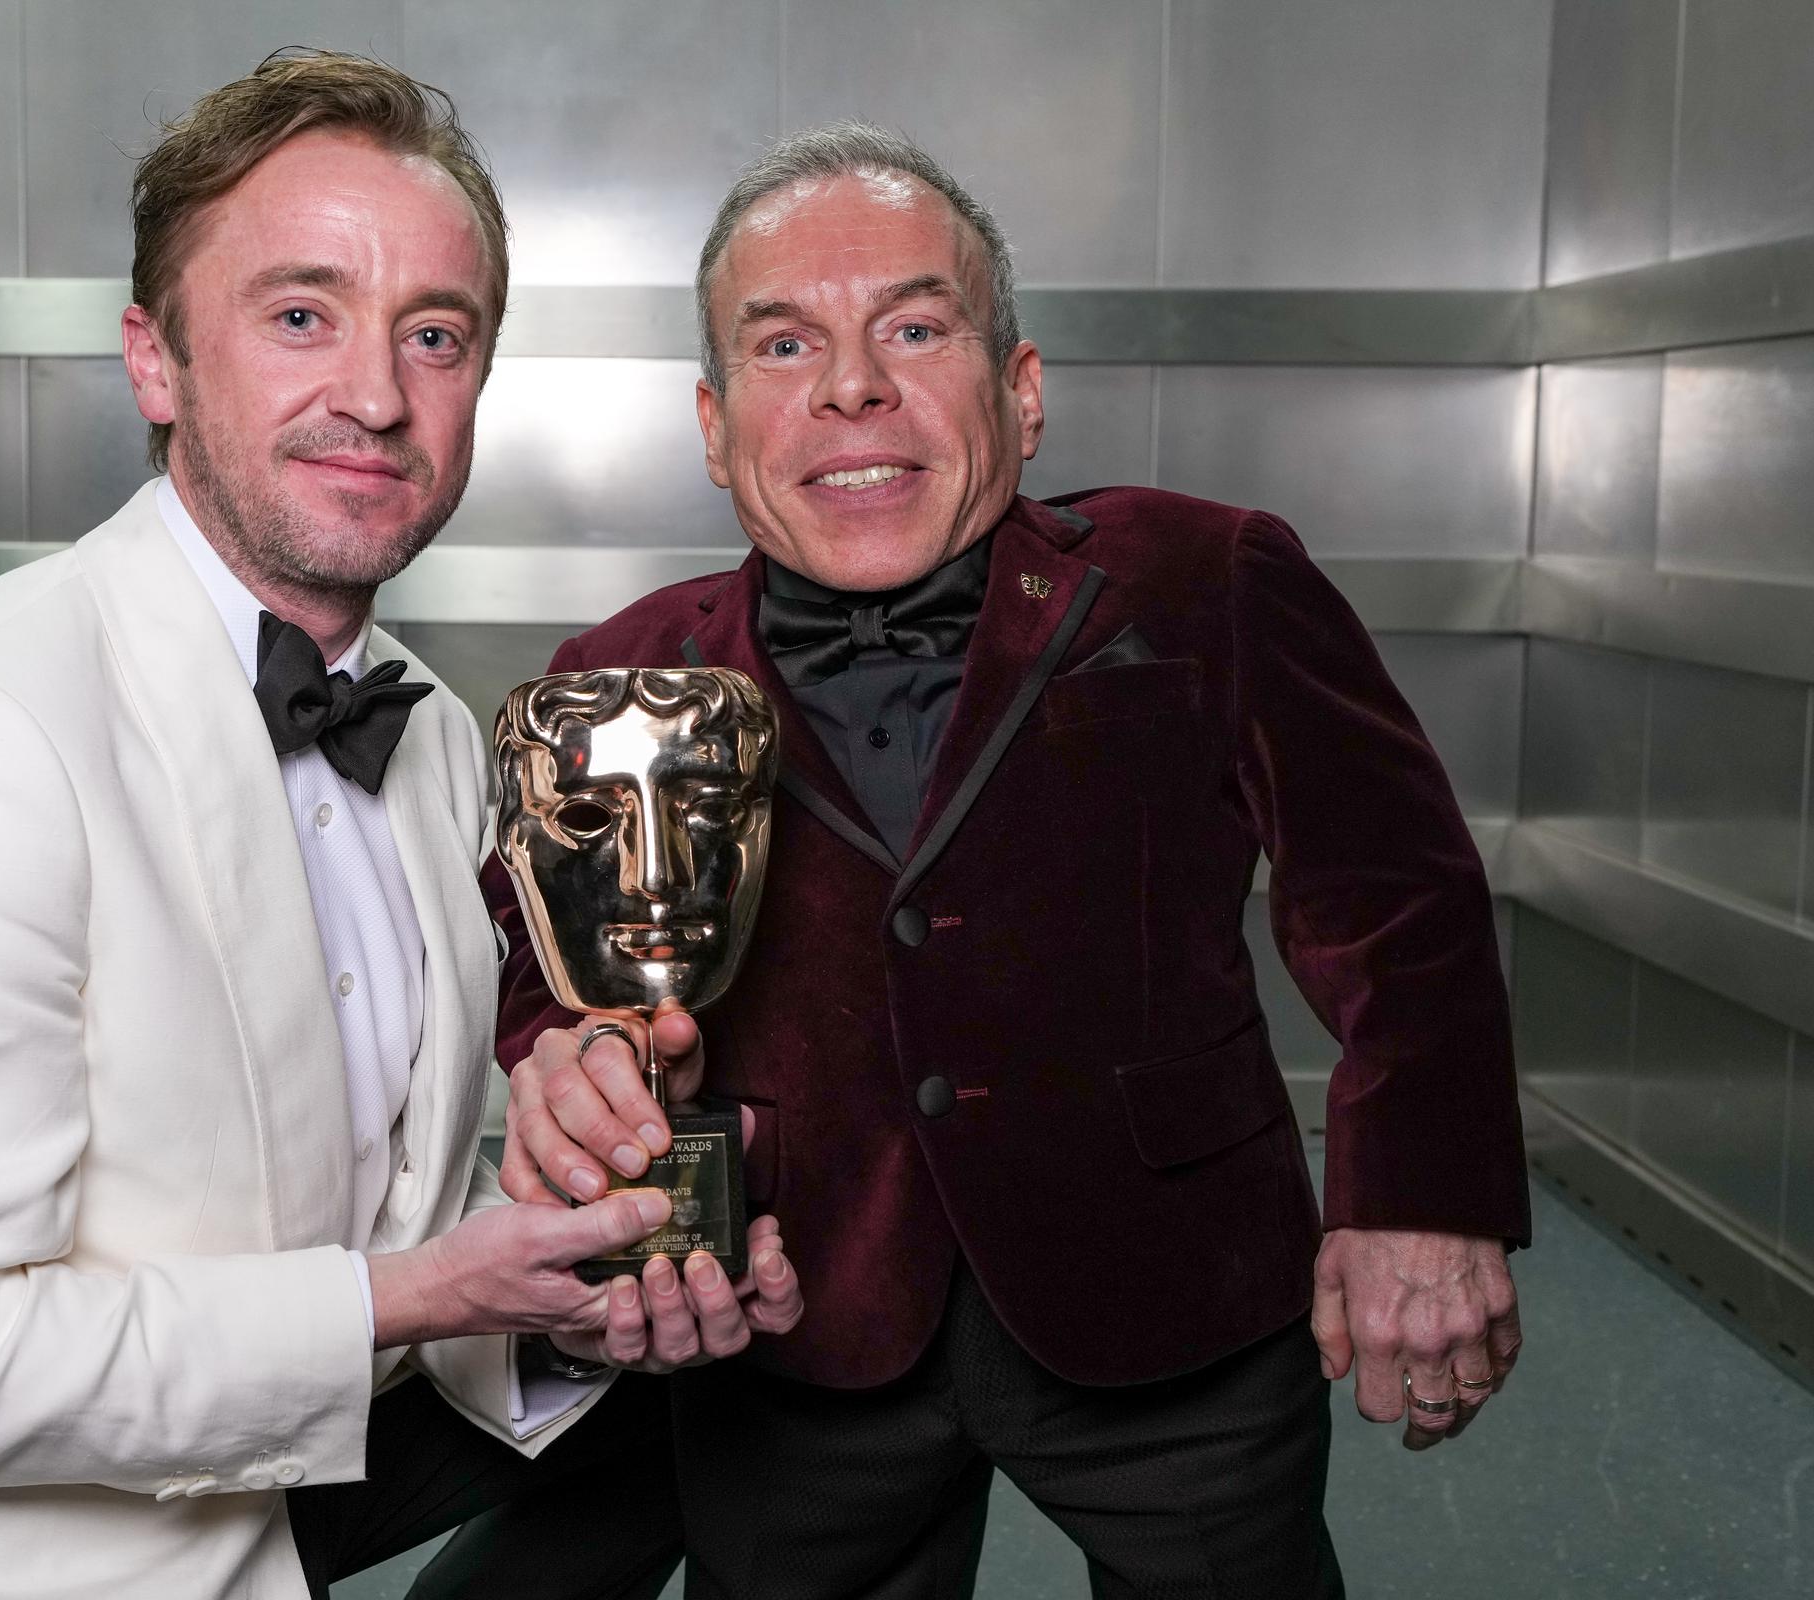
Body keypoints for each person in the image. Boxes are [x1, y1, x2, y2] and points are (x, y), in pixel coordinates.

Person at [0, 52, 799, 1600]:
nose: (376, 395)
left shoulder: (437, 732)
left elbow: (399, 1200)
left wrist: (558, 1274)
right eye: (300, 315)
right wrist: (406, 1296)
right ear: (157, 361)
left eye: (433, 335)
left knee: (756, 1417)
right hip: (41, 1562)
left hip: (288, 1489)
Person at [472, 122, 1531, 1598]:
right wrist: (563, 1070)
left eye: (915, 325)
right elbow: (538, 966)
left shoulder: (1206, 576)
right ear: (714, 430)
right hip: (799, 1328)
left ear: (1021, 393)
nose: (852, 385)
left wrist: (1423, 1194)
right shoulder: (617, 677)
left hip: (1176, 1303)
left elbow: (1397, 897)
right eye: (785, 345)